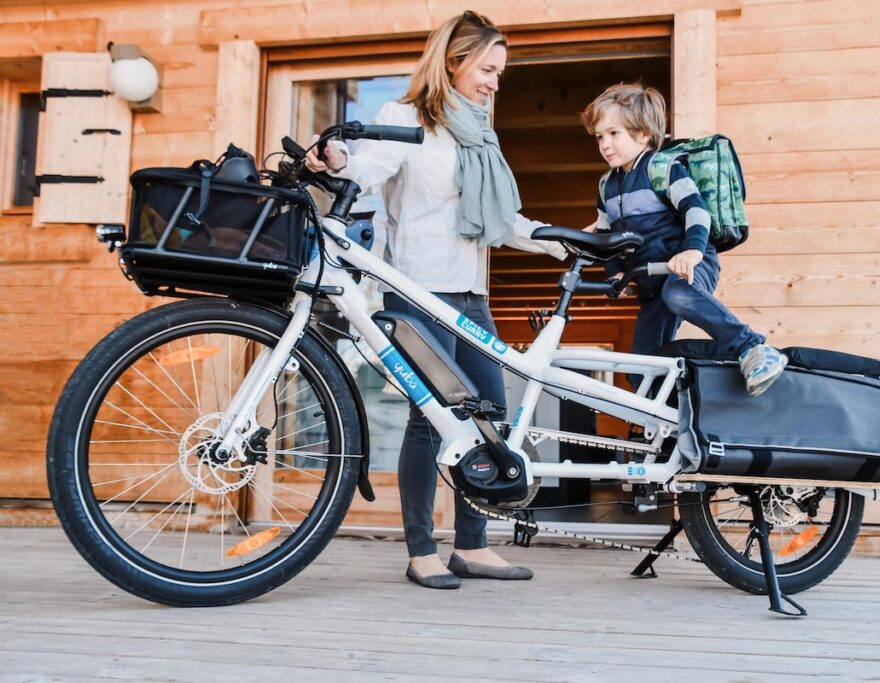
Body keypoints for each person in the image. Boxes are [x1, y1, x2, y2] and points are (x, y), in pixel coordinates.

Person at [305, 10, 565, 589]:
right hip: (418, 290)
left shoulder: (478, 134)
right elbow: (368, 167)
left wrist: (560, 241)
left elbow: (501, 219)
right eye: (489, 69)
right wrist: (339, 161)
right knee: (432, 422)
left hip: (471, 292)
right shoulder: (402, 120)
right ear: (455, 62)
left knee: (490, 417)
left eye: (500, 72)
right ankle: (422, 549)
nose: (496, 82)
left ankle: (472, 546)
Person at [580, 83, 787, 396]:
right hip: (650, 282)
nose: (605, 144)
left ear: (643, 134)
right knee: (642, 373)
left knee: (679, 294)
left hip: (687, 265)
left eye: (614, 134)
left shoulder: (662, 169)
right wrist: (616, 273)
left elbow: (697, 212)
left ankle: (753, 348)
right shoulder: (607, 185)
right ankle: (671, 427)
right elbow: (609, 236)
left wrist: (691, 252)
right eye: (599, 137)